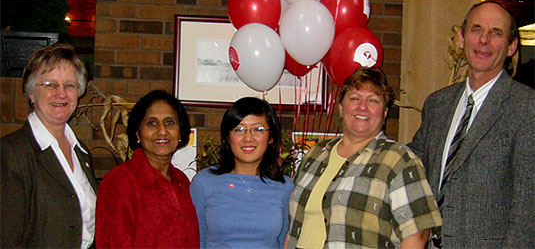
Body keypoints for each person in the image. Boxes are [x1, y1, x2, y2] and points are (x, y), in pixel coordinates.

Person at [408, 0, 535, 248]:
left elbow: (527, 207)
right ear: (461, 39)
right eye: (476, 30)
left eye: (495, 33)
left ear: (511, 46)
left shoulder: (526, 107)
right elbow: (412, 164)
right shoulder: (438, 104)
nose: (484, 40)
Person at [287, 67, 442, 249]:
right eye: (354, 98)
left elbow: (417, 234)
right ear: (341, 107)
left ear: (384, 113)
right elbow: (294, 227)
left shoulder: (399, 160)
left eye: (373, 101)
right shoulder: (316, 154)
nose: (362, 107)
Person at [0, 44, 97, 248]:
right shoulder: (12, 153)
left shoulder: (81, 152)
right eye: (50, 84)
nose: (61, 93)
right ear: (32, 94)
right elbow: (6, 238)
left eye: (69, 85)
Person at [95, 90, 199, 248]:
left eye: (170, 122)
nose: (162, 131)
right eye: (152, 123)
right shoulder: (119, 182)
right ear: (138, 133)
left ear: (180, 131)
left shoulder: (182, 181)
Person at [190, 97, 294, 248]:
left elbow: (284, 242)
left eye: (258, 129)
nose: (248, 138)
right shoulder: (204, 182)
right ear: (228, 136)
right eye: (239, 129)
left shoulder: (285, 187)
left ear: (271, 137)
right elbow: (197, 241)